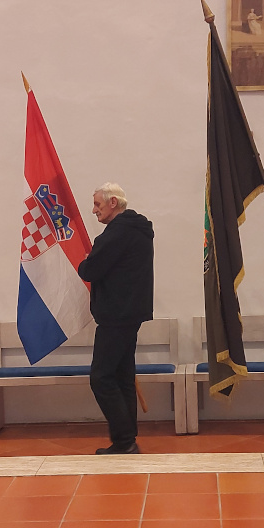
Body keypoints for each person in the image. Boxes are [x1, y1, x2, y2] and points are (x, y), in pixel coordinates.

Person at [77, 183, 154, 455]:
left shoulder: (117, 233)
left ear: (113, 203)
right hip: (130, 314)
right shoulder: (139, 229)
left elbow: (90, 270)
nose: (94, 210)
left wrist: (86, 261)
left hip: (115, 315)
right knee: (123, 377)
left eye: (97, 204)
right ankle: (127, 440)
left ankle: (123, 439)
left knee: (101, 378)